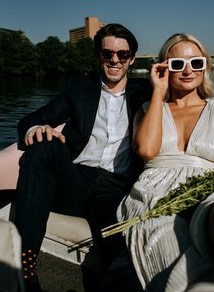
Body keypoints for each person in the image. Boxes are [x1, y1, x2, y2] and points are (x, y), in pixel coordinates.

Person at [14, 23, 152, 292]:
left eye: (122, 55)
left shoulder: (146, 92)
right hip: (75, 180)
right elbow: (31, 120)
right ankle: (25, 266)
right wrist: (37, 129)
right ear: (99, 55)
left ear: (131, 59)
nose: (114, 60)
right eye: (107, 53)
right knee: (42, 146)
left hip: (116, 190)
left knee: (120, 257)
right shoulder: (80, 88)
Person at [102, 33, 214, 292]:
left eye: (196, 63)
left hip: (207, 191)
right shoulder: (149, 109)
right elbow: (146, 150)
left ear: (205, 66)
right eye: (177, 64)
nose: (187, 70)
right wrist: (158, 92)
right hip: (153, 196)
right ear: (163, 68)